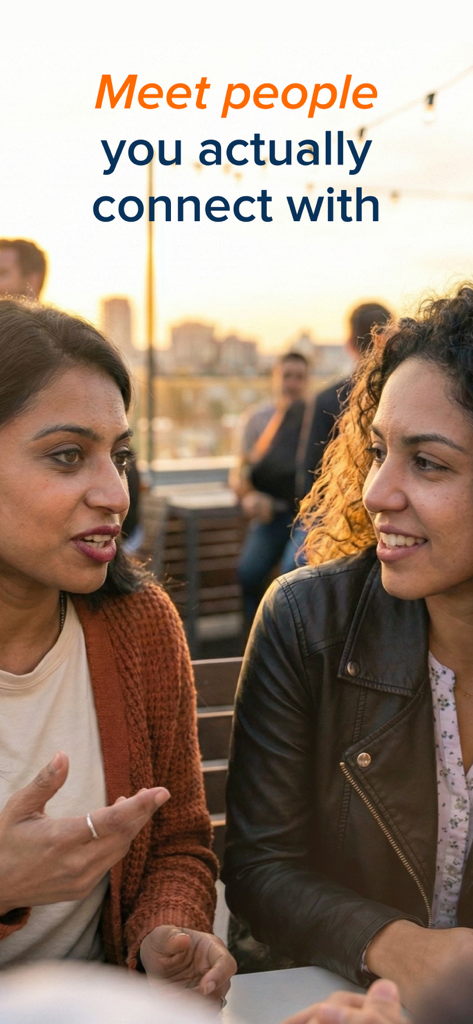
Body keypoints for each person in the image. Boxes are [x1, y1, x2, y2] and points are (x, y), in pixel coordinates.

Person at [223, 284, 473, 1010]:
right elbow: (262, 867)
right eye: (377, 451)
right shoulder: (306, 621)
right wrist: (399, 947)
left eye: (427, 463)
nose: (376, 492)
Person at [0, 298, 235, 1000]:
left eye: (121, 456)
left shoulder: (139, 626)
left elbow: (176, 843)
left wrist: (166, 935)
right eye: (68, 456)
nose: (115, 493)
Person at [230, 351, 316, 624]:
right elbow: (239, 472)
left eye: (299, 377)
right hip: (271, 515)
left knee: (296, 571)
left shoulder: (318, 420)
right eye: (287, 376)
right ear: (274, 379)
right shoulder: (256, 420)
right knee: (248, 571)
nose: (292, 383)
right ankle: (253, 640)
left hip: (308, 518)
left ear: (308, 381)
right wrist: (251, 496)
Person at [310, 302, 392, 473]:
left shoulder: (327, 400)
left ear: (349, 343)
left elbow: (310, 472)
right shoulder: (410, 395)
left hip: (340, 496)